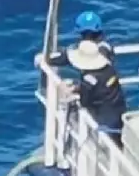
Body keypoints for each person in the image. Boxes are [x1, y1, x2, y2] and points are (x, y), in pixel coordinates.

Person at [46, 10, 127, 147]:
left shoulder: (89, 79)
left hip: (103, 120)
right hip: (118, 109)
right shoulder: (106, 58)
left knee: (109, 144)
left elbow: (85, 100)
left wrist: (74, 90)